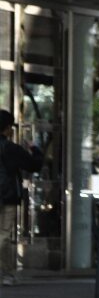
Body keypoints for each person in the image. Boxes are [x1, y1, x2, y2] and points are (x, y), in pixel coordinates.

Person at [1, 110, 44, 286]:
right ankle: (6, 274)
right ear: (7, 128)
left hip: (7, 195)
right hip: (8, 195)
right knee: (3, 235)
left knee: (3, 236)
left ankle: (7, 273)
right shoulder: (11, 148)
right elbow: (34, 165)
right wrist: (34, 148)